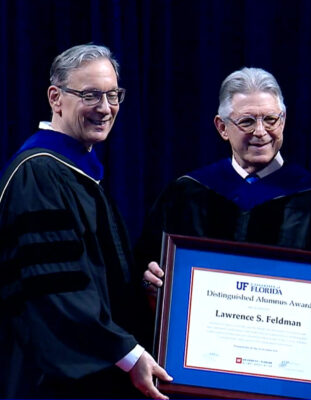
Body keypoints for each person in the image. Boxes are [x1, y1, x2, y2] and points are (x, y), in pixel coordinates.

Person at [0, 44, 172, 399]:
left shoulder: (76, 173)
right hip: (53, 384)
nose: (106, 108)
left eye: (113, 95)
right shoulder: (39, 174)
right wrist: (127, 354)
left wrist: (146, 289)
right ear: (55, 97)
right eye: (91, 95)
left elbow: (91, 276)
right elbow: (54, 289)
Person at [135, 67, 311, 288]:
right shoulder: (186, 194)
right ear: (222, 127)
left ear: (283, 121)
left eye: (271, 119)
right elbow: (147, 266)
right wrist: (149, 280)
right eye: (247, 121)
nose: (260, 131)